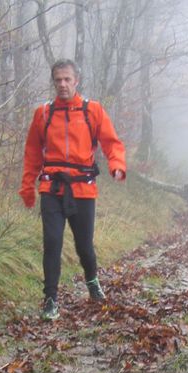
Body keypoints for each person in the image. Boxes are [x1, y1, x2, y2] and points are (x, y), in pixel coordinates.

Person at [19, 59, 126, 321]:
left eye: (67, 79)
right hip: (52, 187)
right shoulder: (43, 113)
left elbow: (112, 143)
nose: (63, 84)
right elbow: (32, 152)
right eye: (58, 80)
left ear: (76, 80)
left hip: (83, 189)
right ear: (53, 82)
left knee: (84, 246)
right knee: (52, 242)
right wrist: (28, 187)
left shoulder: (93, 111)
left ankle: (92, 281)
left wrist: (117, 165)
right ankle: (50, 299)